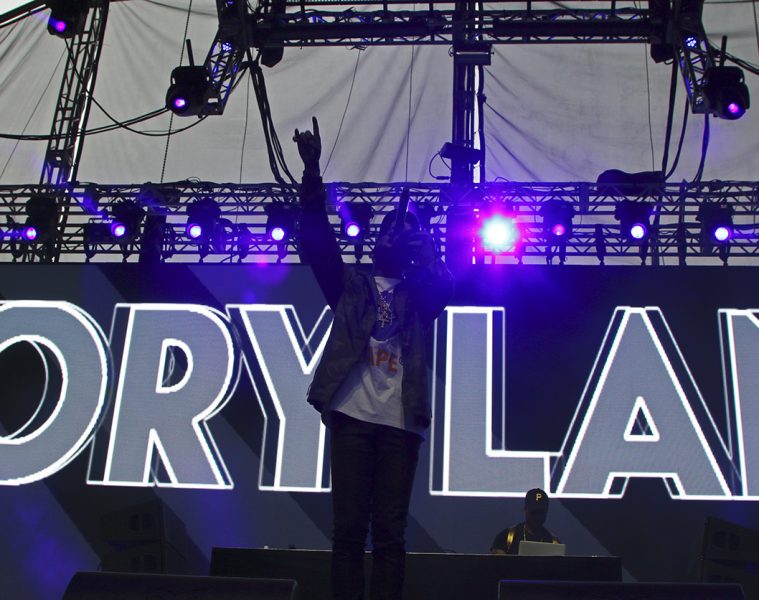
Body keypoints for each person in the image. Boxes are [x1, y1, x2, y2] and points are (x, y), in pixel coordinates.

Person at [293, 117, 453, 600]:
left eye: (401, 233)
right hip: (353, 418)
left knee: (389, 537)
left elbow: (444, 290)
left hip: (401, 424)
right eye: (387, 229)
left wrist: (427, 251)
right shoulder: (353, 287)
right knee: (347, 533)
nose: (391, 236)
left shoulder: (419, 295)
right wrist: (312, 173)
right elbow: (318, 243)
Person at [490, 488, 560, 555]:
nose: (537, 516)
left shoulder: (554, 542)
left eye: (541, 512)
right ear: (525, 509)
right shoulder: (507, 537)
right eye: (534, 512)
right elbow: (496, 562)